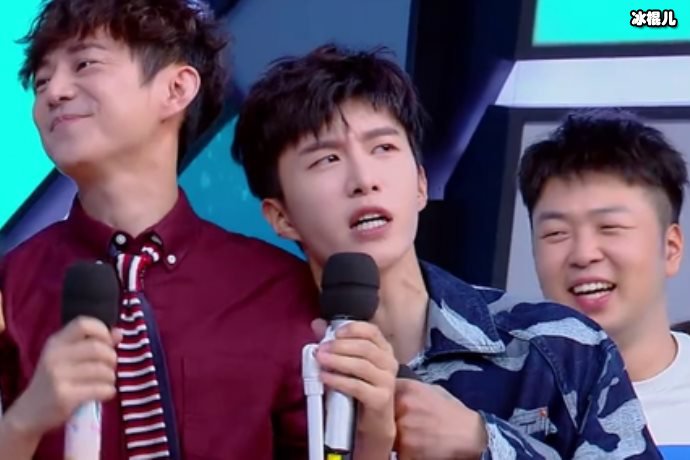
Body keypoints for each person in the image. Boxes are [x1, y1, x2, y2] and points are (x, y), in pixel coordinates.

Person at [231, 44, 661, 459]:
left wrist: (483, 443)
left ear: (421, 184)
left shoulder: (558, 348)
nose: (363, 179)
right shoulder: (258, 376)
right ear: (281, 216)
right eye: (327, 160)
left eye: (383, 147)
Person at [0, 0, 317, 458]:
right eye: (42, 81)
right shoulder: (11, 286)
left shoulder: (278, 287)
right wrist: (26, 419)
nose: (54, 93)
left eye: (84, 64)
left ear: (176, 88)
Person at [518, 108, 690, 454]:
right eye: (556, 233)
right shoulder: (494, 398)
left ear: (670, 248)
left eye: (610, 227)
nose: (583, 254)